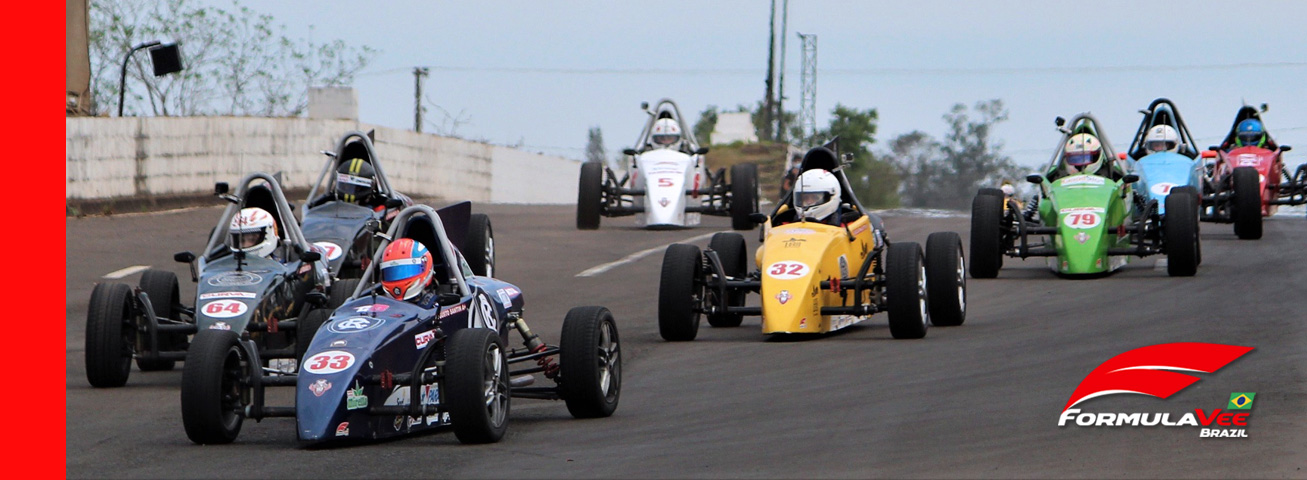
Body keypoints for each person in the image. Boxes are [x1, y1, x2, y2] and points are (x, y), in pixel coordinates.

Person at [381, 238, 439, 308]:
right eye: (391, 272)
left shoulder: (436, 306)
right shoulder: (379, 302)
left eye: (405, 271)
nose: (398, 278)